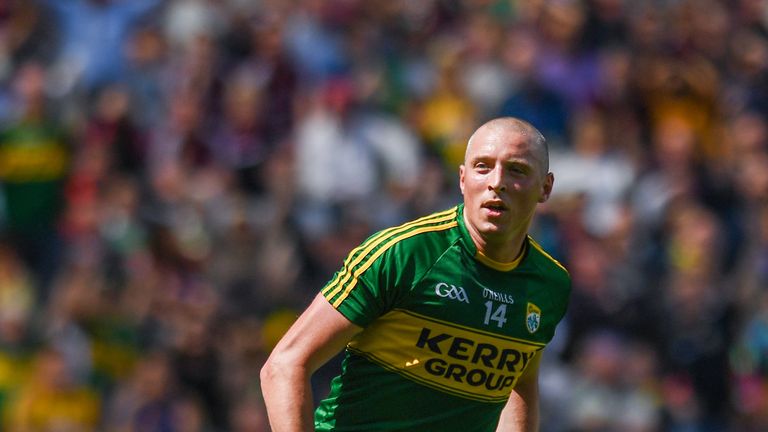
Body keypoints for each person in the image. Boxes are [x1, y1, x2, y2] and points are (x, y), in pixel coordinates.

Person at [260, 117, 571, 431]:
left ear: (545, 188)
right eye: (482, 166)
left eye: (516, 169)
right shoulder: (404, 254)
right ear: (463, 179)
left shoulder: (550, 285)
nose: (497, 182)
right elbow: (284, 365)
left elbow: (519, 385)